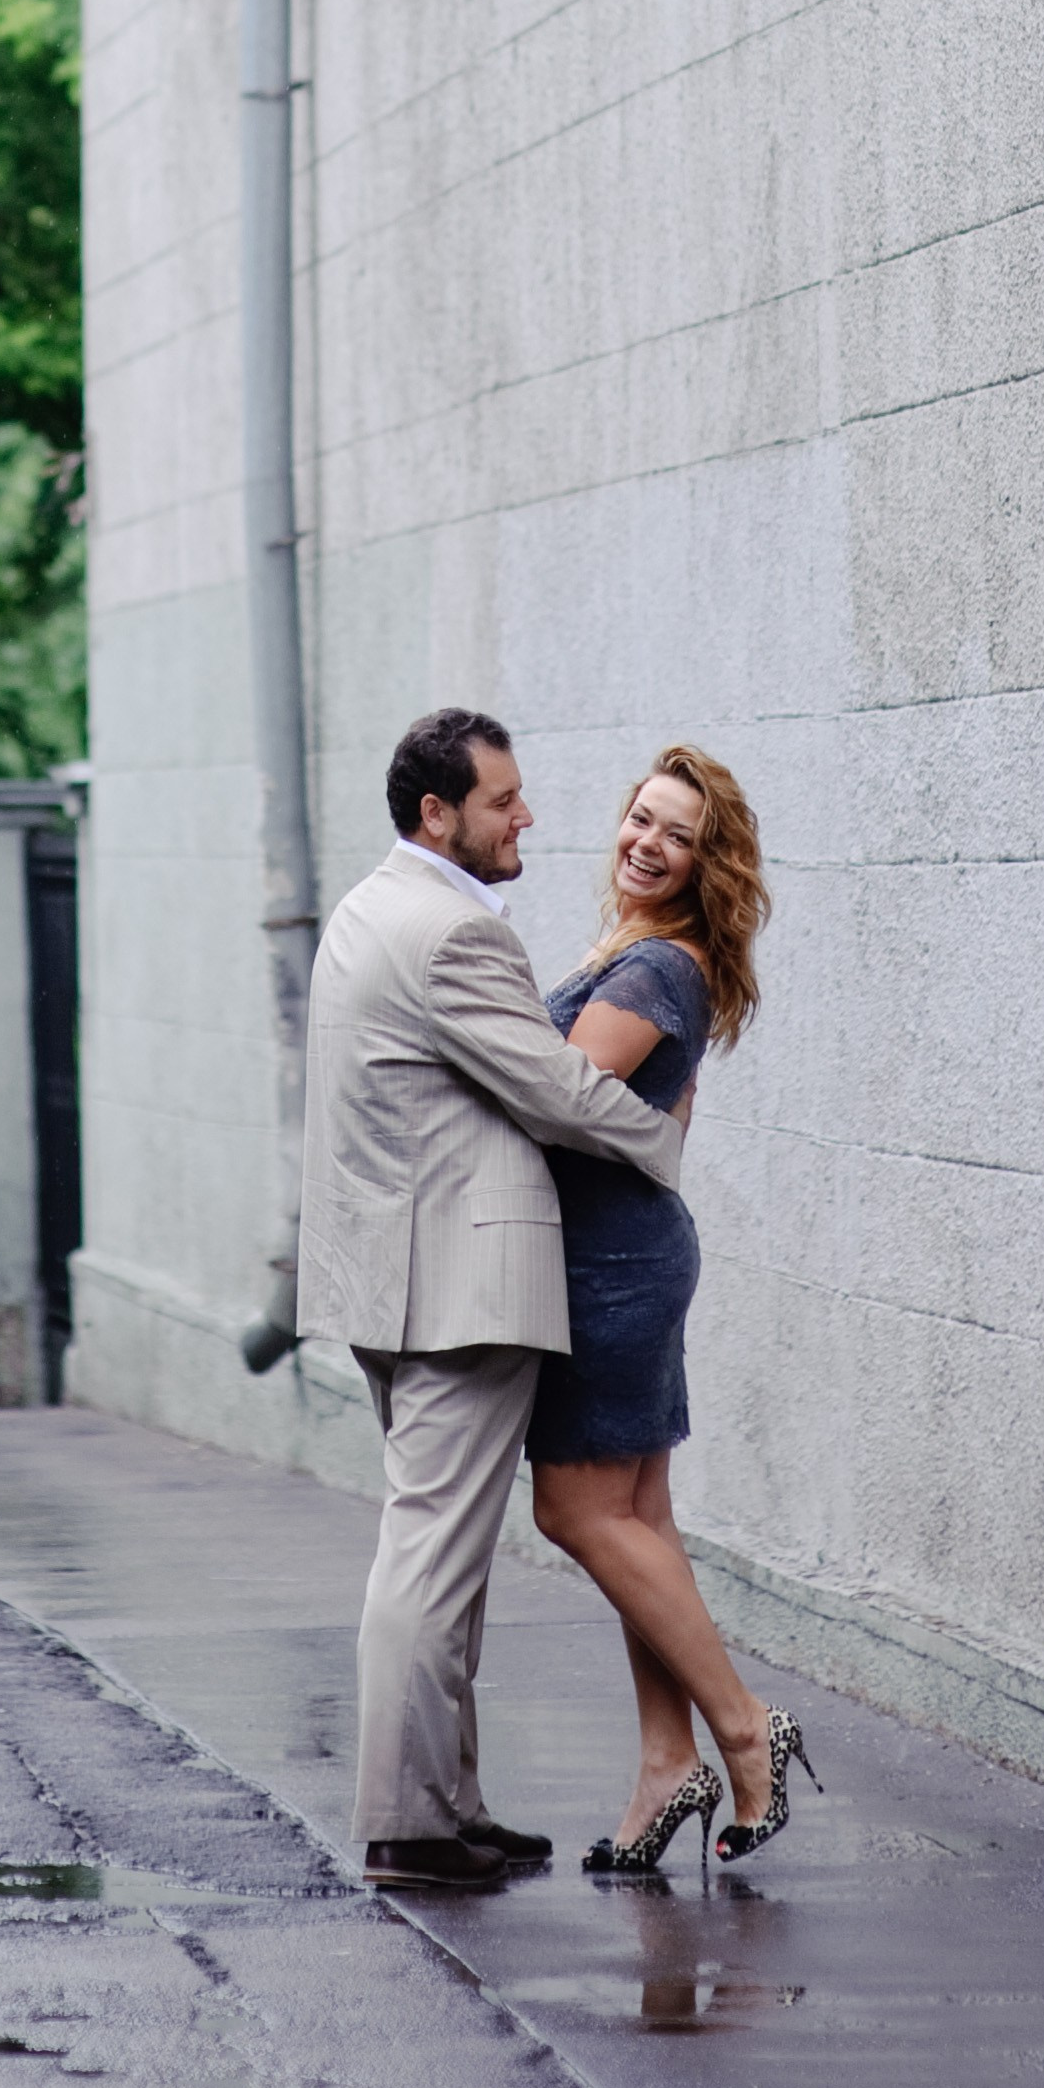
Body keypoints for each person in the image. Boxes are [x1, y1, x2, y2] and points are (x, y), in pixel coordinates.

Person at [297, 706, 691, 1895]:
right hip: (460, 1288)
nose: (527, 816)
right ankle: (409, 1820)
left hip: (398, 1274)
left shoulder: (371, 906)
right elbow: (558, 1089)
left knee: (442, 1555)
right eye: (503, 800)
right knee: (428, 1558)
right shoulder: (452, 934)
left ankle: (447, 1803)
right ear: (437, 813)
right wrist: (663, 1139)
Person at [529, 746, 814, 1873]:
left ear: (708, 861)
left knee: (577, 1511)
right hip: (627, 1250)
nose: (645, 841)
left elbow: (545, 1098)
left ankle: (745, 1731)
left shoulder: (656, 969)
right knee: (638, 1518)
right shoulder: (653, 958)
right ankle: (666, 1761)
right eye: (639, 819)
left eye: (675, 834)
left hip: (608, 1266)